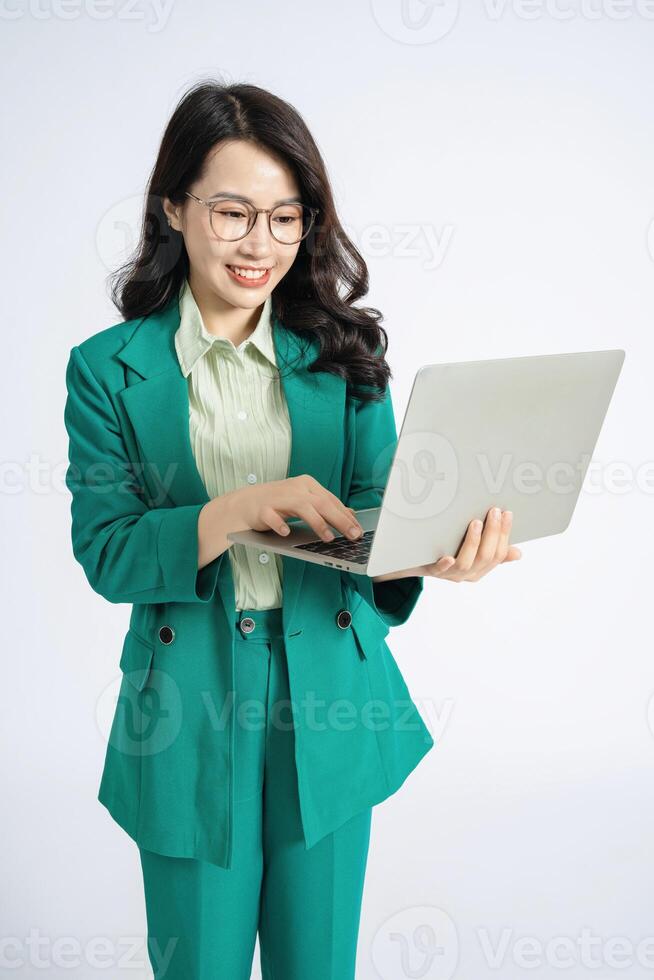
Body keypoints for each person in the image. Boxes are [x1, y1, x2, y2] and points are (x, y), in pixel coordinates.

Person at [64, 79, 522, 980]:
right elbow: (109, 551)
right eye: (233, 213)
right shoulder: (105, 371)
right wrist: (230, 512)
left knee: (319, 968)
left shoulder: (348, 356)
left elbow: (379, 517)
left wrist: (431, 557)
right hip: (187, 707)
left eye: (285, 217)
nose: (260, 244)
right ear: (173, 209)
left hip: (332, 697)